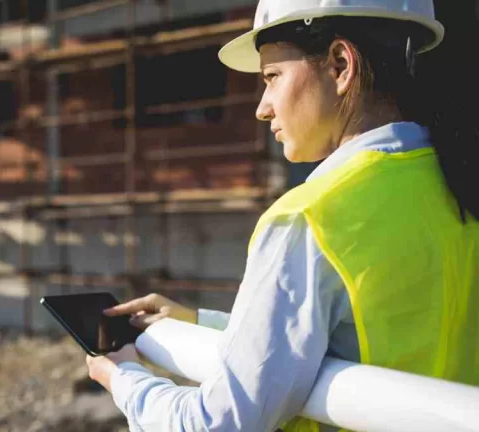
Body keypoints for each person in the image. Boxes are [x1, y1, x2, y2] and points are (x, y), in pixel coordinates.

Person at [83, 1, 479, 431]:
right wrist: (203, 324)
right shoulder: (452, 186)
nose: (263, 107)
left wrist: (124, 378)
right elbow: (379, 338)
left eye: (272, 78)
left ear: (340, 64)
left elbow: (219, 424)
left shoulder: (311, 217)